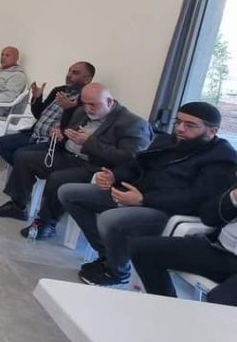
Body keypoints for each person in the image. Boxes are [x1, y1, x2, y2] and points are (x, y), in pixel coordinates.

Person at [60, 102, 236, 286]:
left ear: (212, 131)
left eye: (190, 125)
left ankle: (116, 271)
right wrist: (114, 176)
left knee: (110, 220)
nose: (180, 129)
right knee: (68, 193)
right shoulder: (169, 141)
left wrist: (143, 200)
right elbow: (136, 165)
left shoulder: (221, 158)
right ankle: (109, 253)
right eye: (178, 122)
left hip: (169, 210)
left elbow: (195, 198)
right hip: (137, 195)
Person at [0, 83, 152, 227]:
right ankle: (18, 206)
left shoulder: (132, 123)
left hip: (95, 167)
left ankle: (47, 223)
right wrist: (61, 135)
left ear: (109, 102)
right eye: (85, 104)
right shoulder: (81, 112)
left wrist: (89, 142)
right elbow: (68, 132)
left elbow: (130, 159)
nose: (88, 108)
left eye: (93, 104)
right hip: (67, 155)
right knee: (23, 157)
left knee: (57, 179)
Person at [131, 178, 237, 305]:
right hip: (221, 250)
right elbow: (208, 217)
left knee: (220, 300)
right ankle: (166, 308)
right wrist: (233, 199)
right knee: (143, 251)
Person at [0, 61, 94, 167]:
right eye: (69, 71)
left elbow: (73, 128)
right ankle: (25, 169)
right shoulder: (58, 90)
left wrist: (68, 109)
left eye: (75, 73)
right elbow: (38, 114)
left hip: (51, 142)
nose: (69, 75)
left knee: (20, 154)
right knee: (0, 143)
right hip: (34, 135)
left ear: (87, 79)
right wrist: (37, 98)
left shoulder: (85, 100)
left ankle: (25, 169)